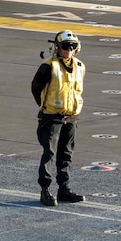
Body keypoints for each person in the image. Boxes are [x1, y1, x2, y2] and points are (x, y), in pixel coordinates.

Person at [31, 29, 86, 206]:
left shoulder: (80, 66)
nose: (68, 50)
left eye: (72, 46)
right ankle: (45, 190)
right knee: (49, 153)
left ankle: (64, 189)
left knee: (66, 154)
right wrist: (45, 107)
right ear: (57, 47)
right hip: (52, 117)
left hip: (71, 117)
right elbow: (35, 87)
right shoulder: (48, 66)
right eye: (64, 46)